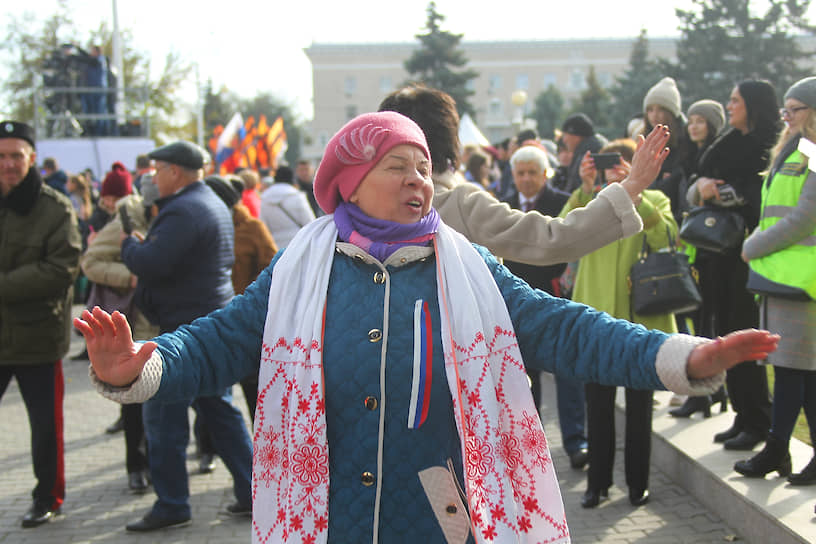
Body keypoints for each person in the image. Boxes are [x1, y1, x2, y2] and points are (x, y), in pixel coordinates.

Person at [75, 111, 780, 543]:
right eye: (398, 167)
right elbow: (219, 341)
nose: (419, 182)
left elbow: (567, 329)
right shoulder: (300, 269)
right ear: (348, 181)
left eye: (423, 168)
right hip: (328, 518)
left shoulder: (466, 266)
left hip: (440, 516)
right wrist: (139, 368)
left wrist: (685, 357)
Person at [118, 141, 254, 531]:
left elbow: (151, 263)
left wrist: (131, 243)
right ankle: (251, 490)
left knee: (162, 416)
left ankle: (173, 503)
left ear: (175, 171)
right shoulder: (208, 201)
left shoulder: (184, 209)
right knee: (220, 413)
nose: (152, 175)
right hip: (204, 323)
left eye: (157, 168)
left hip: (185, 330)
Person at [378, 85, 650, 266]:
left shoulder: (359, 202)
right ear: (447, 140)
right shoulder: (456, 203)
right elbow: (551, 239)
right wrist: (630, 188)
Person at [563, 138, 678, 509]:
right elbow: (563, 229)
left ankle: (637, 483)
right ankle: (598, 484)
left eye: (623, 164)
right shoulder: (590, 200)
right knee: (597, 404)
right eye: (609, 164)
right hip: (595, 316)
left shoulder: (656, 199)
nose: (615, 170)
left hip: (639, 318)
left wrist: (637, 189)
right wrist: (584, 186)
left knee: (640, 406)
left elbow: (667, 237)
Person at [685, 79, 781, 450]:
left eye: (736, 100)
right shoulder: (727, 143)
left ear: (754, 105)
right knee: (725, 330)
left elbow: (756, 194)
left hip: (749, 254)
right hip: (717, 253)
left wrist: (718, 192)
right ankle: (743, 413)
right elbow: (695, 183)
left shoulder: (771, 144)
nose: (730, 105)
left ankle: (759, 418)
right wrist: (702, 189)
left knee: (745, 331)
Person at [733, 76, 816, 483]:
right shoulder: (793, 150)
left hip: (802, 282)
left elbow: (806, 215)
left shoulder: (813, 153)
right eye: (785, 108)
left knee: (793, 371)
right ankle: (782, 451)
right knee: (798, 371)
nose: (786, 116)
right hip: (783, 279)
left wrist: (755, 245)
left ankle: (777, 450)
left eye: (794, 109)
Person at [0, 120, 82, 527]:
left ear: (31, 159)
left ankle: (47, 497)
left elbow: (61, 269)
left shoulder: (55, 208)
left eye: (16, 155)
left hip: (38, 338)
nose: (8, 164)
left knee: (45, 427)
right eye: (1, 156)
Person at [501, 143, 589, 471]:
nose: (526, 179)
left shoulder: (560, 203)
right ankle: (531, 448)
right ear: (513, 175)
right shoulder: (502, 205)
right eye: (520, 173)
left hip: (554, 299)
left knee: (567, 371)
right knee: (524, 379)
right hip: (516, 304)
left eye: (532, 173)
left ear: (544, 174)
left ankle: (576, 441)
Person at [80, 173, 161, 493]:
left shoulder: (176, 215)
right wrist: (130, 277)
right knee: (134, 401)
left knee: (168, 401)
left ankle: (161, 465)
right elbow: (91, 261)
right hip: (136, 324)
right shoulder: (127, 218)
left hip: (166, 318)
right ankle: (136, 466)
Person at [670, 98, 727, 415]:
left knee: (707, 321)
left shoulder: (716, 158)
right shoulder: (690, 156)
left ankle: (707, 391)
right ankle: (708, 392)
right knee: (695, 320)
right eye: (690, 120)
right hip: (691, 246)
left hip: (711, 249)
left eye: (700, 121)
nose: (693, 126)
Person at [204, 173, 278, 421]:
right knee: (211, 395)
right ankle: (207, 449)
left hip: (247, 321)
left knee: (255, 390)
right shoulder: (204, 227)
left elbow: (273, 269)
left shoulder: (252, 228)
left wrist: (252, 298)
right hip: (214, 318)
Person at [640, 76, 692, 227]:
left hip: (675, 222)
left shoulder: (687, 143)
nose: (654, 115)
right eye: (650, 110)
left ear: (671, 112)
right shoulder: (644, 142)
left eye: (661, 109)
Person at [259, 164, 316, 247]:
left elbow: (263, 226)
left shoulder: (265, 199)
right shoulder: (297, 196)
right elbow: (309, 222)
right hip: (298, 243)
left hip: (275, 244)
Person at [560, 113, 608, 194]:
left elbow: (575, 191)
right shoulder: (599, 147)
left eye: (565, 135)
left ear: (575, 135)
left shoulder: (585, 157)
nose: (564, 140)